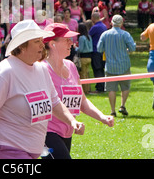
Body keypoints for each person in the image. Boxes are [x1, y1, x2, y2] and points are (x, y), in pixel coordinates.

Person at [0, 20, 85, 159]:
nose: (42, 45)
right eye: (36, 41)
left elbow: (55, 102)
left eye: (41, 40)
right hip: (6, 147)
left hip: (30, 150)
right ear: (22, 47)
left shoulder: (41, 69)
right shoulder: (4, 72)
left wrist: (72, 121)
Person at [41, 23, 114, 159]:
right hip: (46, 132)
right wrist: (72, 122)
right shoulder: (42, 70)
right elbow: (49, 104)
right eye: (66, 39)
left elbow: (82, 101)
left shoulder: (71, 66)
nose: (72, 42)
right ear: (52, 44)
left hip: (67, 131)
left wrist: (102, 117)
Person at [97, 15, 136, 116]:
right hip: (124, 65)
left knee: (111, 89)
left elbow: (99, 49)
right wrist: (126, 50)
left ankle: (112, 110)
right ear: (121, 23)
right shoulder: (125, 34)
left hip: (110, 66)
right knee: (125, 87)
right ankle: (122, 105)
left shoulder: (105, 34)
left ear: (111, 23)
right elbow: (132, 48)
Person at [89, 12, 107, 93]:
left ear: (93, 18)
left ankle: (99, 87)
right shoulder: (104, 26)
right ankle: (103, 86)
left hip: (95, 50)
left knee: (97, 69)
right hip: (103, 51)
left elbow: (88, 36)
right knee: (102, 69)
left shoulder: (95, 27)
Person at [77, 23, 93, 94]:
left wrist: (75, 48)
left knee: (83, 74)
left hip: (83, 57)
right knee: (87, 73)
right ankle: (88, 88)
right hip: (89, 57)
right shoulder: (89, 36)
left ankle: (85, 90)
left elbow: (80, 49)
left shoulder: (81, 37)